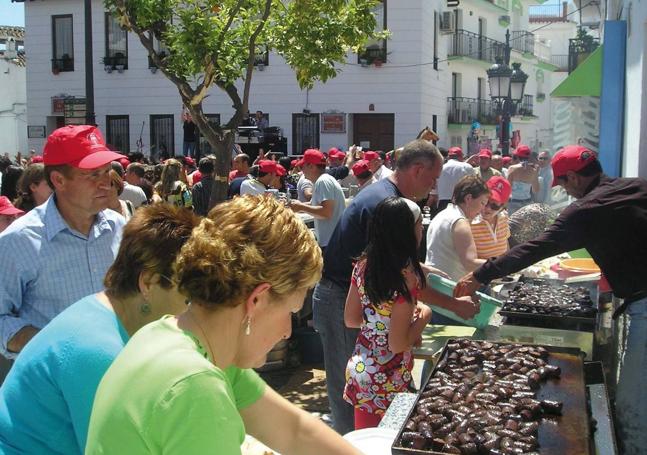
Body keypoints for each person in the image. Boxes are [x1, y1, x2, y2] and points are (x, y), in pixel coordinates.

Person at [86, 196, 362, 455]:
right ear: (258, 299)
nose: (288, 331)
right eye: (291, 311)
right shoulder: (194, 384)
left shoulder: (175, 339)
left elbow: (294, 430)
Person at [453, 145, 647, 454]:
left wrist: (481, 275)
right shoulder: (636, 186)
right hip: (636, 301)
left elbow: (535, 248)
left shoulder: (586, 210)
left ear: (574, 177)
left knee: (633, 407)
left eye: (565, 185)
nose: (567, 193)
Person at [0, 205, 199, 455]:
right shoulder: (100, 352)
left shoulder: (103, 313)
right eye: (189, 295)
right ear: (148, 282)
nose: (193, 309)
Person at [316, 139, 479, 434]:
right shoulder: (389, 209)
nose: (433, 187)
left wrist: (384, 319)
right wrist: (429, 312)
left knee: (359, 420)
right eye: (432, 178)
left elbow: (359, 313)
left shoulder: (365, 261)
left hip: (363, 368)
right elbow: (401, 301)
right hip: (376, 360)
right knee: (384, 431)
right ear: (417, 170)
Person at [0, 125, 125, 361]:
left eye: (107, 171)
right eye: (92, 174)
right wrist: (50, 345)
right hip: (52, 386)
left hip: (114, 376)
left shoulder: (118, 226)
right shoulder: (18, 241)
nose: (106, 183)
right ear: (58, 180)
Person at [343, 197, 431, 429]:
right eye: (419, 225)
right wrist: (424, 317)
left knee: (367, 444)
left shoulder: (362, 266)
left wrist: (381, 321)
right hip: (390, 378)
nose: (421, 230)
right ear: (407, 233)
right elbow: (397, 344)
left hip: (361, 371)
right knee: (390, 442)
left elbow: (351, 319)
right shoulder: (406, 279)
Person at [425, 175, 489, 282]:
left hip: (433, 282)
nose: (483, 209)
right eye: (482, 203)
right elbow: (470, 263)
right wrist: (502, 265)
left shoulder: (443, 214)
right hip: (447, 286)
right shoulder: (460, 222)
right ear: (468, 198)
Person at [291, 149, 346, 250]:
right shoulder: (324, 180)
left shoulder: (323, 181)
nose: (301, 170)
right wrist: (296, 205)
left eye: (302, 166)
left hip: (332, 242)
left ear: (311, 166)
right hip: (333, 241)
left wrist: (300, 206)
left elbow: (326, 212)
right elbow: (315, 204)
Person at [470, 176, 512, 259]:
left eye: (494, 205)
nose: (488, 208)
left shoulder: (504, 218)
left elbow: (506, 247)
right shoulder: (470, 223)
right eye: (486, 202)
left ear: (502, 206)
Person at [436, 146, 475, 211]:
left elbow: (434, 190)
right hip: (461, 202)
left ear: (449, 157)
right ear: (461, 156)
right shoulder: (467, 167)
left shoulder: (441, 168)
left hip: (443, 202)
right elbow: (473, 185)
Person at [507, 145, 539, 214]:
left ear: (518, 156)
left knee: (512, 223)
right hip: (527, 202)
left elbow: (507, 187)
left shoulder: (512, 168)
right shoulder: (533, 170)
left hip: (514, 201)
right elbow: (536, 189)